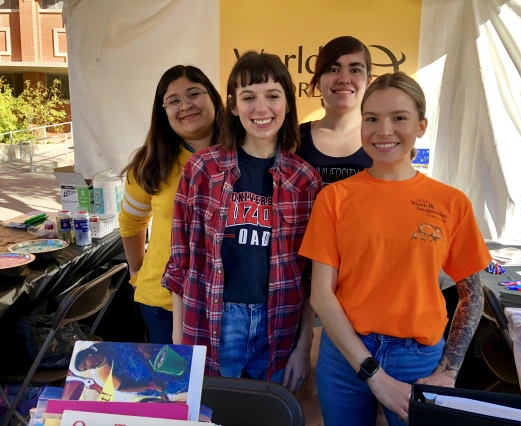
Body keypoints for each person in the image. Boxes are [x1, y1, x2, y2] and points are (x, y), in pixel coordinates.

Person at [299, 72, 491, 426]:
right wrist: (373, 374)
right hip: (345, 354)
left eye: (398, 118)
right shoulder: (335, 198)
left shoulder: (451, 203)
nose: (383, 131)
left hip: (418, 360)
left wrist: (449, 371)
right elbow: (321, 296)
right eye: (371, 118)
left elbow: (472, 295)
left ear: (421, 125)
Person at [162, 51, 322, 391]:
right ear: (233, 106)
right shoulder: (202, 169)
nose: (260, 108)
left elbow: (311, 276)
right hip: (212, 319)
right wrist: (180, 338)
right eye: (248, 97)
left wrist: (303, 346)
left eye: (272, 96)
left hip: (279, 323)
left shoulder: (305, 179)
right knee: (214, 411)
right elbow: (180, 263)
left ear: (289, 104)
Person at [119, 65, 224, 344]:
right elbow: (131, 220)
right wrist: (137, 270)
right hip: (163, 303)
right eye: (173, 100)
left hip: (228, 303)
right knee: (176, 386)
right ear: (163, 111)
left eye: (193, 94)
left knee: (222, 387)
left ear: (213, 98)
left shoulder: (245, 154)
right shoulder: (151, 162)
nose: (185, 105)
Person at [295, 36, 373, 186]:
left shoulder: (381, 139)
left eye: (355, 70)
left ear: (368, 81)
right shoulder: (294, 140)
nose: (344, 79)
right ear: (317, 81)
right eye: (333, 69)